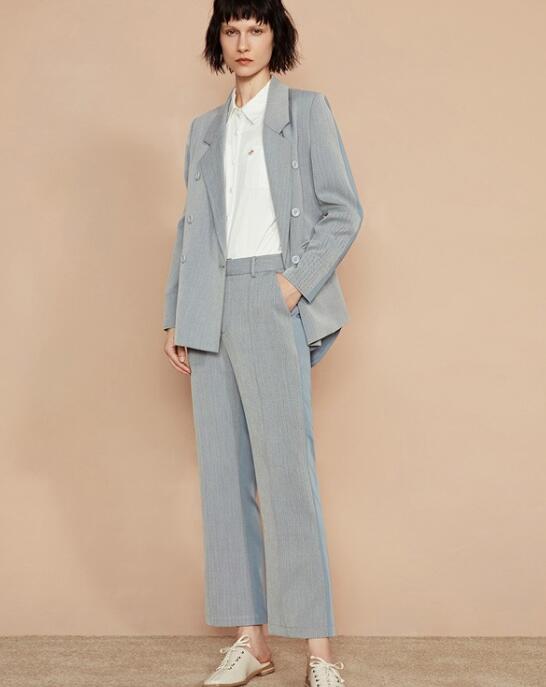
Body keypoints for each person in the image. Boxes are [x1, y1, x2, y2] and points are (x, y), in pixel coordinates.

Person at [162, 1, 363, 685]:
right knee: (223, 477)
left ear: (277, 37)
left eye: (256, 29)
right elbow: (191, 227)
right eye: (231, 30)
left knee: (286, 476)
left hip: (271, 296)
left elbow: (344, 210)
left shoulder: (306, 112)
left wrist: (293, 284)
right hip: (209, 303)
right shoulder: (204, 130)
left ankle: (320, 652)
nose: (243, 42)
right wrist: (176, 313)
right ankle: (252, 641)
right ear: (218, 40)